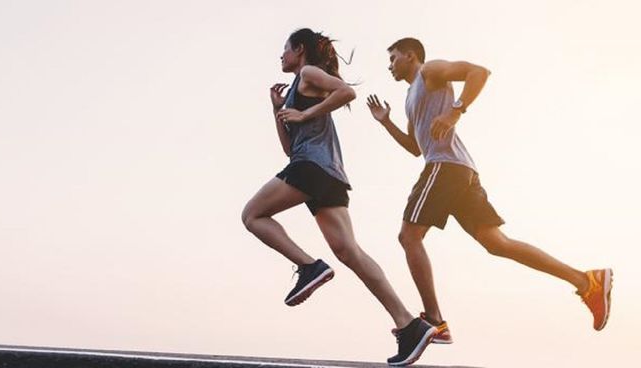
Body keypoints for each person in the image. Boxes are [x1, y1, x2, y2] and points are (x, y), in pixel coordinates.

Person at [366, 37, 613, 344]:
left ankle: (435, 321)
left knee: (409, 236)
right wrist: (385, 122)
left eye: (393, 58)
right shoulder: (410, 98)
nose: (389, 65)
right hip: (458, 170)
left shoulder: (430, 71)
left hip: (445, 168)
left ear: (410, 55)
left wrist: (455, 112)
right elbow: (415, 148)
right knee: (497, 243)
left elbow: (478, 72)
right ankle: (586, 281)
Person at [241, 29, 436, 366]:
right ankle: (409, 325)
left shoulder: (308, 72)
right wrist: (278, 111)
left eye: (284, 50)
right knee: (350, 252)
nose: (281, 57)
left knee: (252, 215)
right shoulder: (293, 92)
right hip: (324, 174)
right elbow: (291, 149)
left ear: (299, 50)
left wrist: (304, 114)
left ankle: (308, 266)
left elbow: (346, 92)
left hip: (314, 169)